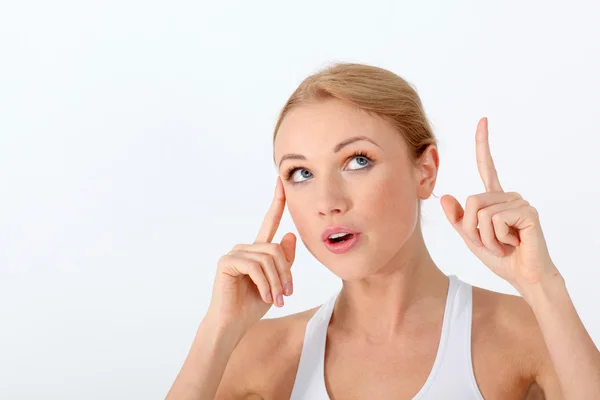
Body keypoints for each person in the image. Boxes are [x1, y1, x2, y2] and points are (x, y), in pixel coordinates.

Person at [165, 63, 600, 399]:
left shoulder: (523, 333)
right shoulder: (262, 351)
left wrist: (544, 287)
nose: (327, 201)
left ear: (425, 171)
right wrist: (217, 331)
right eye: (300, 172)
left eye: (358, 161)